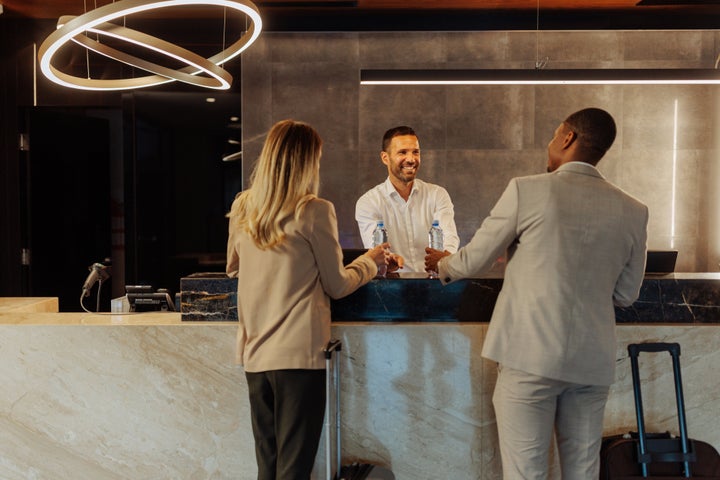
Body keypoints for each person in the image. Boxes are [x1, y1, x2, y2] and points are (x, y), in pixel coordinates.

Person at [425, 108, 648, 479]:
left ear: (567, 138)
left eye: (552, 135)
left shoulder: (526, 190)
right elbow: (626, 294)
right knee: (582, 472)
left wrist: (443, 265)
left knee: (527, 473)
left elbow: (473, 260)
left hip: (529, 357)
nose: (549, 144)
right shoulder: (633, 210)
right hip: (592, 362)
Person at [226, 119, 389, 480]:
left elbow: (233, 267)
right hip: (299, 357)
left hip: (255, 356)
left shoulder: (243, 208)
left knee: (267, 469)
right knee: (294, 471)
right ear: (305, 162)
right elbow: (337, 284)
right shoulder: (314, 210)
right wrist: (370, 262)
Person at [355, 125, 459, 273]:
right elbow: (376, 250)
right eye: (402, 152)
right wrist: (387, 260)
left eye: (415, 152)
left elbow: (450, 239)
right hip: (393, 288)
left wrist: (446, 259)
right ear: (385, 158)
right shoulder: (368, 202)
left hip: (436, 284)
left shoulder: (438, 194)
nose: (411, 159)